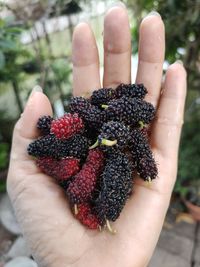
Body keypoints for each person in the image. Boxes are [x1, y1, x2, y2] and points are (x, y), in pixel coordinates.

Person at [7, 4, 187, 267]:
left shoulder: (121, 143)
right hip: (95, 145)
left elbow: (114, 156)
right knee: (83, 154)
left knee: (112, 156)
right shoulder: (88, 148)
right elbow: (84, 157)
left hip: (110, 140)